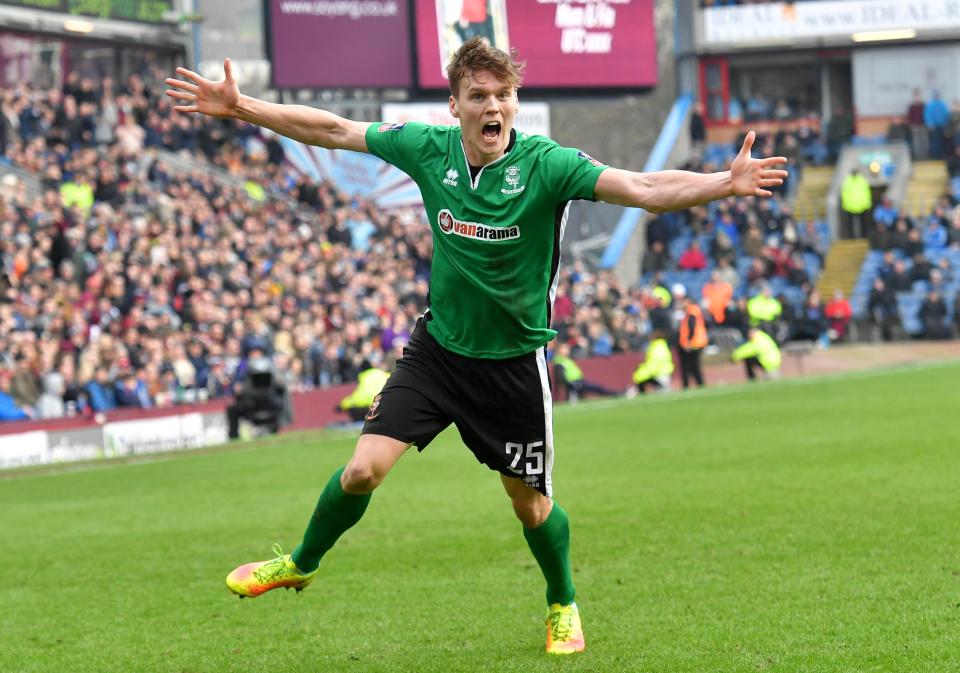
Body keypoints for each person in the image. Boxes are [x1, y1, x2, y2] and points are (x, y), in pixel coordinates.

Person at [165, 39, 787, 655]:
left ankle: (562, 601)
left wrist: (722, 184)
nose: (494, 107)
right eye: (479, 96)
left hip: (513, 367)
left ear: (515, 102)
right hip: (438, 353)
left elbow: (645, 186)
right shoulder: (427, 149)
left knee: (531, 508)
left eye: (504, 95)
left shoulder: (548, 165)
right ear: (455, 106)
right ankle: (300, 562)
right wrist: (242, 106)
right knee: (361, 471)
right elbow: (333, 129)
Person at [552, 342, 617, 403]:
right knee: (595, 388)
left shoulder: (568, 359)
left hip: (579, 381)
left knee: (597, 387)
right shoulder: (559, 361)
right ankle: (615, 393)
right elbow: (561, 377)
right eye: (564, 348)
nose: (567, 350)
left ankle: (614, 393)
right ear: (559, 350)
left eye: (567, 348)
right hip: (574, 383)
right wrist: (571, 384)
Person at [676, 295, 707, 389]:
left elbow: (691, 325)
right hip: (693, 342)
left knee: (692, 366)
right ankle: (697, 384)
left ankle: (697, 384)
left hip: (694, 342)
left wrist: (689, 341)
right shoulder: (689, 311)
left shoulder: (692, 310)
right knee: (692, 366)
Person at [840, 168, 872, 239]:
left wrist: (867, 203)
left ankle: (864, 236)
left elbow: (866, 193)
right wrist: (846, 204)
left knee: (863, 223)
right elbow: (844, 194)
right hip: (850, 206)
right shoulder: (848, 181)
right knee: (850, 224)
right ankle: (851, 237)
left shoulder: (861, 180)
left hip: (862, 205)